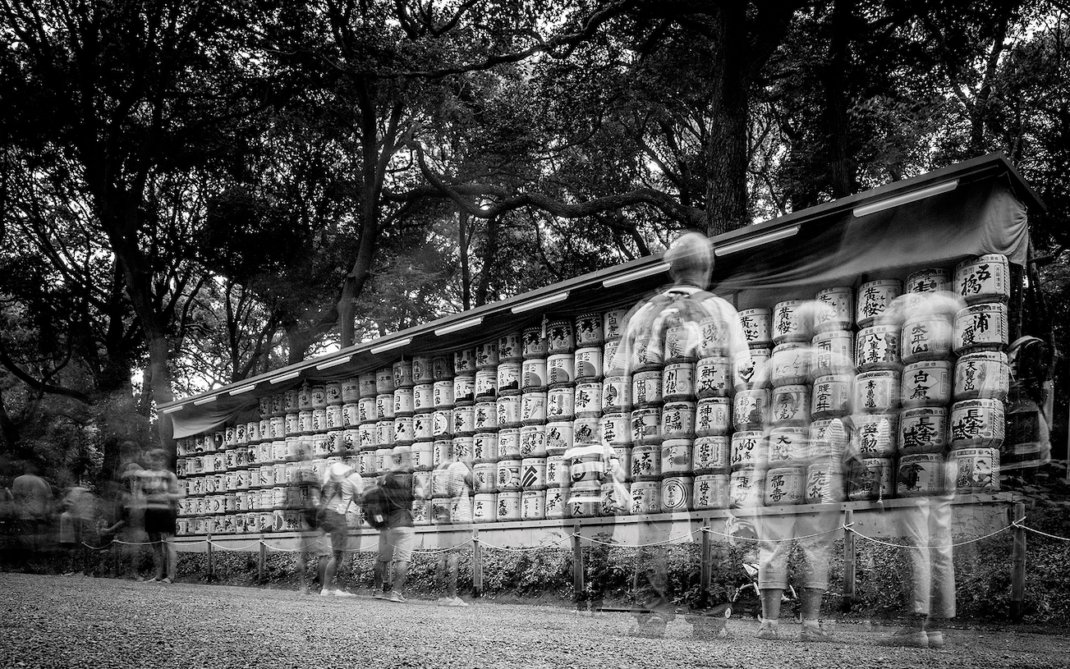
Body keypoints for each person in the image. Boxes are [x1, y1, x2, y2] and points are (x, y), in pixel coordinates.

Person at [610, 231, 752, 638]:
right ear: (706, 269)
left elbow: (618, 380)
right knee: (710, 525)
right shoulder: (721, 311)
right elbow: (745, 377)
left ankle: (652, 613)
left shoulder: (645, 314)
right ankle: (709, 616)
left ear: (670, 268)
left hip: (650, 440)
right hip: (712, 439)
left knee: (652, 525)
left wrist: (624, 436)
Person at [374, 445, 425, 603]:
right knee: (402, 559)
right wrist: (416, 509)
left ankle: (378, 591)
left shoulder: (384, 478)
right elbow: (421, 497)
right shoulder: (413, 478)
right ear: (406, 458)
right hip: (404, 522)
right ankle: (396, 593)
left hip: (387, 524)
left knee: (382, 559)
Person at [138, 449, 183, 584]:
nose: (152, 462)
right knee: (156, 545)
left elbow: (179, 494)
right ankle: (158, 575)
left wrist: (166, 496)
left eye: (155, 459)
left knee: (169, 543)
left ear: (162, 460)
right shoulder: (146, 475)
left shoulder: (169, 476)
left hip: (166, 512)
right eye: (151, 459)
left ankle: (171, 576)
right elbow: (141, 493)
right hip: (151, 511)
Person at [318, 461, 363, 596]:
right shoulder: (355, 476)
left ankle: (325, 588)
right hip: (348, 516)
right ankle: (341, 589)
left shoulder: (329, 473)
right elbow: (360, 500)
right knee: (347, 554)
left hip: (332, 516)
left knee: (336, 554)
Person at [434, 453, 473, 607]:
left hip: (443, 514)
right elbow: (477, 482)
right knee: (455, 555)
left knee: (442, 555)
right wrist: (468, 465)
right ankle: (453, 595)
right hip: (459, 516)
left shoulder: (441, 468)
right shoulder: (460, 466)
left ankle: (442, 596)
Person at [11, 461, 54, 573]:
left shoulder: (18, 480)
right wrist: (45, 513)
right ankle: (38, 564)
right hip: (40, 514)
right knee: (37, 541)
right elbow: (49, 500)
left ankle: (29, 565)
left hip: (25, 514)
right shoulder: (43, 482)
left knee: (26, 539)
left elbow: (17, 498)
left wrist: (18, 510)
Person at [60, 482, 99, 576]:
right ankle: (88, 571)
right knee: (87, 546)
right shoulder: (90, 495)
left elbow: (68, 504)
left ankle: (79, 570)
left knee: (80, 545)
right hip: (88, 521)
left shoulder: (76, 491)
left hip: (80, 520)